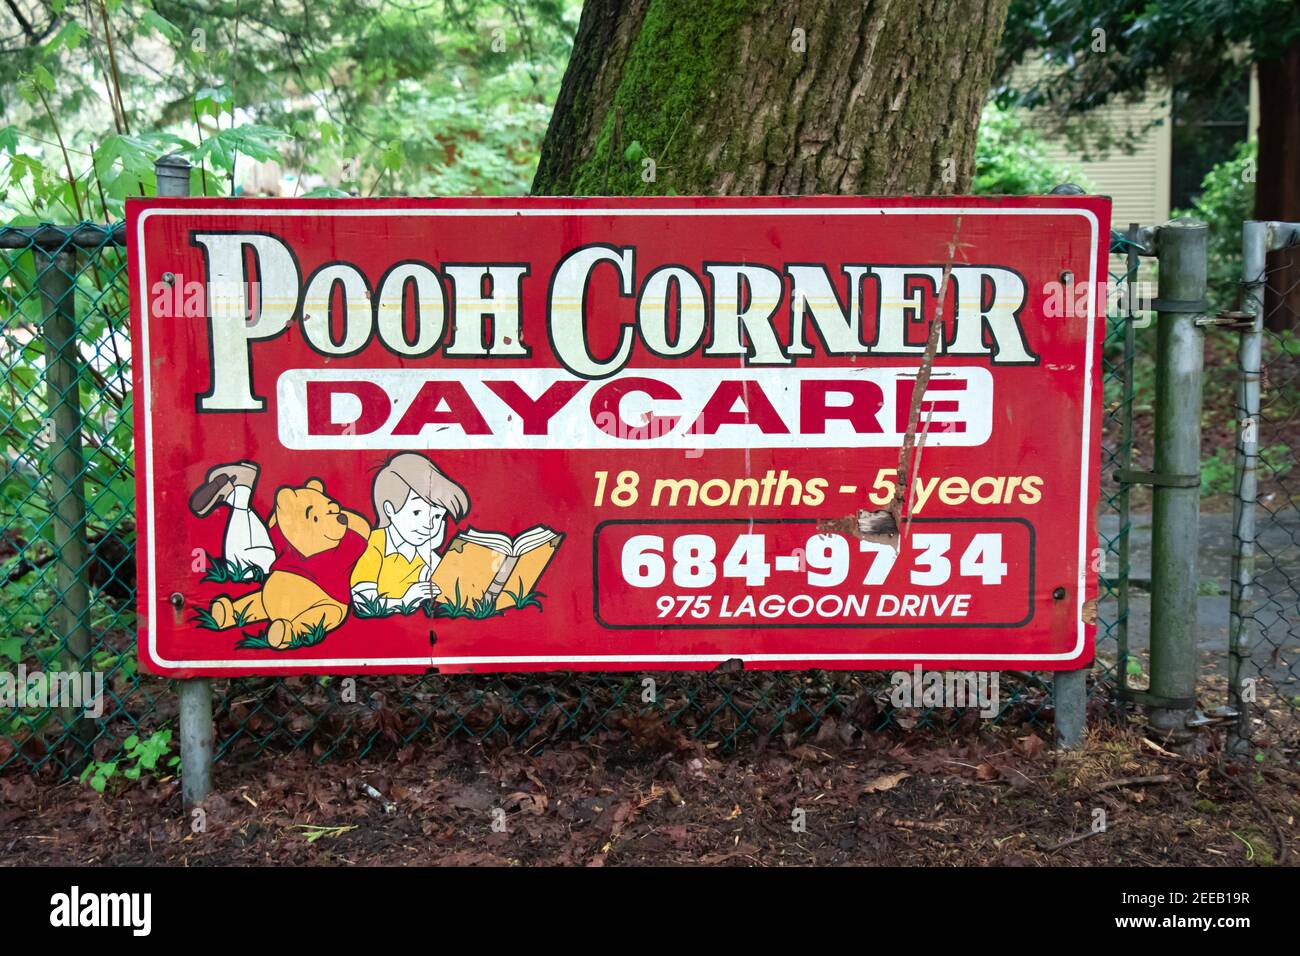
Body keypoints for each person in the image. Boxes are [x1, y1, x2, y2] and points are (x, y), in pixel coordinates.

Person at [349, 453, 471, 612]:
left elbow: (450, 587)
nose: (428, 525)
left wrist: (434, 550)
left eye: (436, 516)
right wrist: (404, 600)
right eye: (416, 513)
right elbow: (363, 602)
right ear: (389, 509)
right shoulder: (374, 544)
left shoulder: (423, 548)